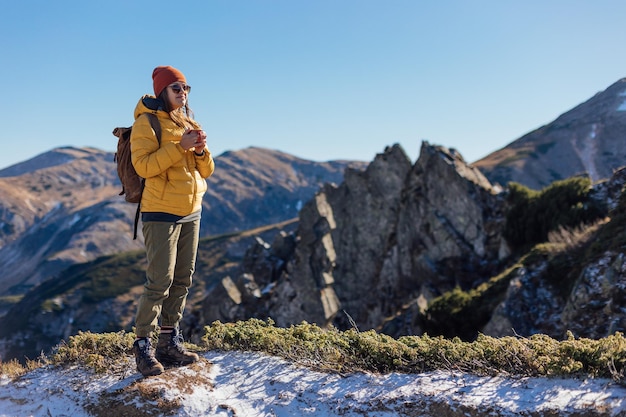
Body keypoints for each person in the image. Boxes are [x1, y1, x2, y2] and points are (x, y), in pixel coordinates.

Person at [130, 65, 215, 377]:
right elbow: (144, 166)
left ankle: (169, 342)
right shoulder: (146, 124)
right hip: (161, 212)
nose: (183, 93)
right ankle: (142, 346)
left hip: (192, 211)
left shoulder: (188, 122)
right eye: (176, 88)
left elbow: (206, 171)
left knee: (183, 279)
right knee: (159, 281)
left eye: (186, 88)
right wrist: (179, 147)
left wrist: (201, 151)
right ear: (162, 91)